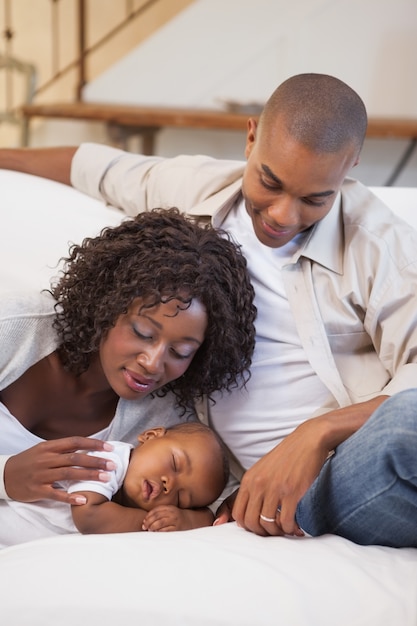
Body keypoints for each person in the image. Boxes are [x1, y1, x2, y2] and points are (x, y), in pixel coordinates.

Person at [1, 73, 417, 548]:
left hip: (333, 465)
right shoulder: (198, 189)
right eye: (270, 182)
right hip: (240, 494)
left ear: (350, 167)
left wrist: (316, 433)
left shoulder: (381, 247)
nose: (283, 214)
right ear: (251, 137)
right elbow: (96, 166)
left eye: (314, 198)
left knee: (409, 423)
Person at [0, 208, 256, 547]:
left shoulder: (165, 424)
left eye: (180, 352)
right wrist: (6, 476)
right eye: (142, 332)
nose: (152, 363)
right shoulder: (14, 330)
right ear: (107, 304)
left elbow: (208, 506)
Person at [69, 421, 229, 534]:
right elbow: (89, 517)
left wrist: (186, 519)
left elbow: (207, 517)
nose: (170, 485)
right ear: (150, 435)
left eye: (180, 499)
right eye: (174, 464)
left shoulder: (142, 502)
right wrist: (159, 523)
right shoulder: (108, 459)